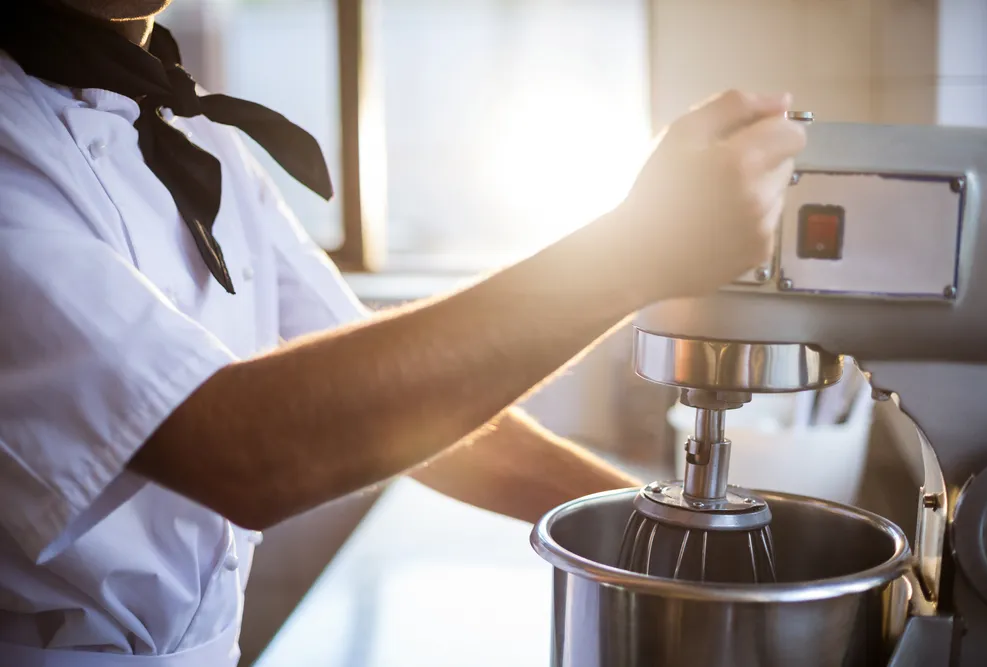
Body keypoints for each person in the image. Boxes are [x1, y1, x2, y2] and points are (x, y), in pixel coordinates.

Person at [0, 0, 806, 664]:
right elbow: (242, 449)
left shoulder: (196, 133)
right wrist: (636, 251)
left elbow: (406, 410)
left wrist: (671, 543)